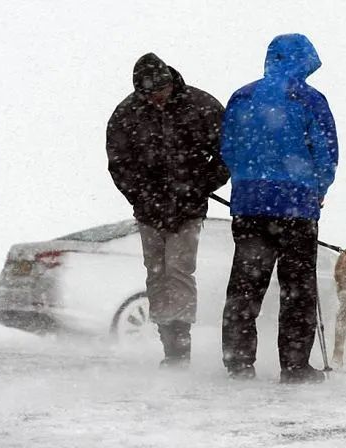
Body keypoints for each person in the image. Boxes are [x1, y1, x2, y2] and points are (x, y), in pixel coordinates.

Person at [220, 34, 338, 383]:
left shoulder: (242, 96)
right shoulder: (310, 100)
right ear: (303, 61)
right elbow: (326, 152)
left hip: (250, 205)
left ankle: (238, 364)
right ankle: (295, 366)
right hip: (296, 207)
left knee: (244, 287)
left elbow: (229, 148)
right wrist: (319, 189)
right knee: (297, 290)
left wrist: (247, 179)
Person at [106, 53, 229, 368]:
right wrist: (141, 196)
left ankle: (180, 345)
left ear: (170, 83)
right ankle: (168, 342)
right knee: (156, 274)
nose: (156, 100)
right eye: (148, 96)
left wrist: (197, 187)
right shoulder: (126, 114)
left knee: (178, 271)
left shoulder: (202, 107)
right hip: (149, 211)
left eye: (159, 93)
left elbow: (227, 154)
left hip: (187, 210)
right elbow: (119, 163)